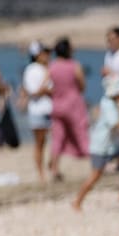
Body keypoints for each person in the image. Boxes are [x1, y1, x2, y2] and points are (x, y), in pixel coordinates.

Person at [73, 77, 119, 210]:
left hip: (112, 146)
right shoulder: (108, 104)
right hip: (101, 147)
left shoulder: (113, 103)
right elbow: (114, 124)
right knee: (95, 176)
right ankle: (77, 202)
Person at [47, 38, 90, 180]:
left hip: (57, 105)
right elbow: (82, 85)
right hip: (73, 105)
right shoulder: (74, 65)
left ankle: (54, 169)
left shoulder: (51, 66)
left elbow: (45, 85)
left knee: (57, 138)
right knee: (81, 133)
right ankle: (96, 165)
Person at [20, 43, 54, 182]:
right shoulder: (31, 69)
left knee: (56, 139)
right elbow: (33, 92)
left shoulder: (48, 68)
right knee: (40, 143)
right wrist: (46, 87)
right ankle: (41, 174)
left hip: (51, 109)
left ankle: (52, 167)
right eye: (43, 53)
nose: (46, 56)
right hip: (37, 111)